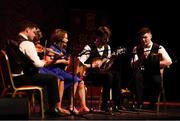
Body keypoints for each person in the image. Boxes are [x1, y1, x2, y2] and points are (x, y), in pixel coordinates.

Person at [5, 20, 64, 116]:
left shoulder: (15, 40)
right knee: (52, 78)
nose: (35, 35)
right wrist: (53, 60)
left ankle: (44, 108)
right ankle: (53, 109)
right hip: (21, 78)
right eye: (34, 32)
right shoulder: (27, 44)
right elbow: (38, 64)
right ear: (27, 30)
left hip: (12, 78)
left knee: (44, 77)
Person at [38, 28, 89, 115]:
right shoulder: (52, 48)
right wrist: (61, 61)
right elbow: (47, 62)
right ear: (60, 38)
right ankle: (59, 107)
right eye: (66, 37)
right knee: (68, 79)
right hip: (51, 70)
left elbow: (65, 68)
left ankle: (75, 105)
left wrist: (67, 63)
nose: (67, 40)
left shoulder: (63, 50)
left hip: (60, 71)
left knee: (78, 80)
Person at [78, 26, 122, 112]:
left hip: (102, 74)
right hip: (91, 74)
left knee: (116, 74)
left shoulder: (107, 48)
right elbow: (80, 63)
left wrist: (111, 60)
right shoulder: (89, 48)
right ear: (98, 37)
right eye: (105, 37)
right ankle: (104, 104)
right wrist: (92, 65)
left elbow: (106, 67)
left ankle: (116, 104)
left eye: (108, 37)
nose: (107, 39)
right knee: (109, 76)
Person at [131, 27, 172, 109]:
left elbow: (169, 61)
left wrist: (155, 63)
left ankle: (152, 103)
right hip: (142, 73)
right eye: (141, 38)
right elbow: (133, 66)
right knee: (135, 77)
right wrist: (141, 57)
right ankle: (140, 103)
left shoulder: (159, 48)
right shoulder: (136, 48)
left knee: (157, 82)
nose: (143, 40)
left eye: (145, 37)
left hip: (153, 72)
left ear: (150, 36)